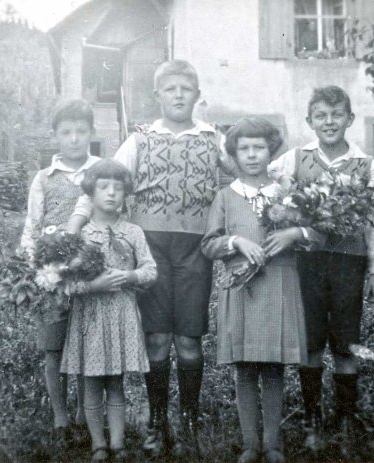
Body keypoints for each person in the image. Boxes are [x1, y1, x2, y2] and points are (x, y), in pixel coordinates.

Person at [67, 59, 236, 457]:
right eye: (170, 89)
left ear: (197, 95)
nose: (178, 96)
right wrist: (72, 228)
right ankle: (158, 421)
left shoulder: (213, 140)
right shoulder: (139, 139)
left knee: (189, 340)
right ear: (157, 95)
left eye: (186, 89)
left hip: (196, 247)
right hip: (150, 246)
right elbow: (100, 182)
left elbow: (245, 179)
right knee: (158, 338)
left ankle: (190, 419)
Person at [268, 86, 374, 454]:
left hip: (348, 262)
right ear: (310, 121)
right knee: (310, 339)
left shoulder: (365, 164)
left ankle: (346, 415)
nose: (329, 122)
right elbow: (274, 193)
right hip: (307, 261)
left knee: (345, 340)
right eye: (321, 115)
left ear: (350, 119)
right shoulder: (295, 158)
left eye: (337, 115)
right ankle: (311, 415)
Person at [201, 117, 324, 463]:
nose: (252, 155)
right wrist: (236, 241)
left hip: (279, 284)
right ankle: (249, 444)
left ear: (271, 150)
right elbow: (209, 245)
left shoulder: (287, 192)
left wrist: (294, 234)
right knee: (244, 367)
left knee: (273, 366)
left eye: (259, 147)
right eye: (244, 149)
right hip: (241, 287)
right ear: (234, 155)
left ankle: (272, 444)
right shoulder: (225, 196)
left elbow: (319, 234)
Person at [60, 159, 157, 462]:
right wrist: (94, 286)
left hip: (121, 315)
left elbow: (150, 270)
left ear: (126, 193)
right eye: (104, 187)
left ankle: (117, 443)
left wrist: (130, 277)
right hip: (89, 316)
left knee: (115, 382)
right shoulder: (79, 236)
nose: (112, 194)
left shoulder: (133, 232)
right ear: (90, 192)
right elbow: (64, 284)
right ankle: (98, 444)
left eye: (118, 188)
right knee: (91, 383)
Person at [19, 99, 100, 443]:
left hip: (90, 272)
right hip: (52, 275)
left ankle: (86, 412)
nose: (73, 139)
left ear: (91, 134)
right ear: (55, 136)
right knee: (54, 348)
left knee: (87, 345)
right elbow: (32, 224)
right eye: (66, 132)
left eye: (81, 132)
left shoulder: (101, 171)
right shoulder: (44, 177)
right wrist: (30, 265)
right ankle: (60, 416)